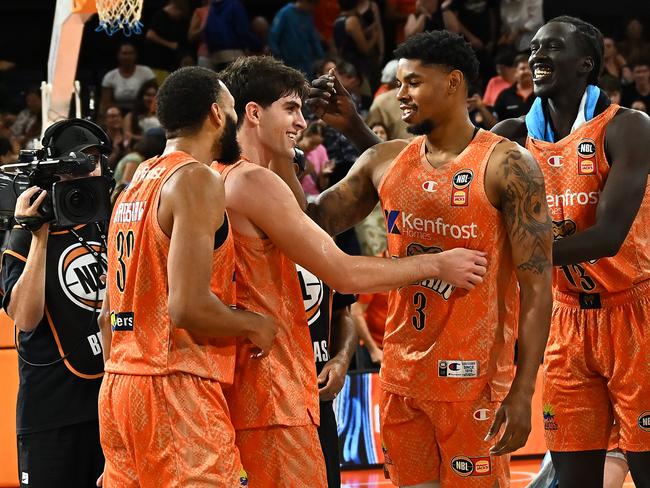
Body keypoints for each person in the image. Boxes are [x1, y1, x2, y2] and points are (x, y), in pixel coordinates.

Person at [216, 55, 489, 488]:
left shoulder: (207, 175)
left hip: (235, 385)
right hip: (268, 390)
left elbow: (304, 215)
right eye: (290, 109)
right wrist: (438, 263)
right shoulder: (251, 182)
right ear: (252, 113)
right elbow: (342, 273)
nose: (302, 122)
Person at [306, 30, 553, 486]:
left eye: (413, 83)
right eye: (399, 83)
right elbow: (314, 220)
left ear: (453, 83)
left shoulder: (508, 165)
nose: (400, 95)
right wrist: (280, 149)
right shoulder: (385, 159)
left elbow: (538, 288)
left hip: (475, 382)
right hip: (401, 378)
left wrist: (523, 390)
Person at [98, 66, 278, 487]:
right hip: (175, 385)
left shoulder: (133, 184)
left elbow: (106, 315)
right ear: (217, 114)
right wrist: (255, 324)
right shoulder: (197, 178)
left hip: (119, 386)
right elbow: (188, 306)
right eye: (232, 111)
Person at [490, 16, 650, 487]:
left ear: (587, 63)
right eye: (534, 48)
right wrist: (357, 131)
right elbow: (433, 169)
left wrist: (516, 254)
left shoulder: (628, 127)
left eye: (552, 47)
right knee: (573, 477)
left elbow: (607, 238)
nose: (536, 56)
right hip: (566, 321)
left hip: (635, 314)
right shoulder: (512, 136)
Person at [1, 118, 114, 488]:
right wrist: (39, 235)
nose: (86, 172)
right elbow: (25, 318)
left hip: (110, 404)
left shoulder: (111, 223)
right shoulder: (25, 233)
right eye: (74, 165)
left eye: (94, 160)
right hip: (53, 409)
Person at [295, 264, 356, 488]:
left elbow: (343, 313)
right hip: (272, 398)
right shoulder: (249, 242)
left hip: (320, 399)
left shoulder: (323, 242)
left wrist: (341, 358)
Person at [269, 0, 325, 78]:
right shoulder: (285, 13)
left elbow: (313, 38)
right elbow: (274, 35)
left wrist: (321, 56)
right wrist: (277, 55)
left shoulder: (308, 16)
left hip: (306, 61)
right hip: (288, 61)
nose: (312, 8)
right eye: (312, 5)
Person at [99, 42, 155, 116]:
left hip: (142, 112)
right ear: (118, 55)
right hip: (118, 114)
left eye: (131, 53)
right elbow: (105, 103)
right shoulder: (110, 76)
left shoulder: (147, 72)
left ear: (136, 55)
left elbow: (154, 96)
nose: (128, 56)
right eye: (124, 53)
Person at [492, 54, 535, 122]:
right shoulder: (504, 96)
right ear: (516, 72)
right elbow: (495, 122)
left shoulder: (542, 93)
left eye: (529, 68)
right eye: (522, 68)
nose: (526, 71)